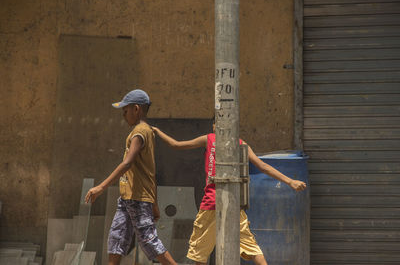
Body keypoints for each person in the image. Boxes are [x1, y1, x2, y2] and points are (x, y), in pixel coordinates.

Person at [151, 122, 307, 265]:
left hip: (211, 202)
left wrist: (158, 131)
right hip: (233, 202)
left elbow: (176, 145)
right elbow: (263, 166)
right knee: (250, 245)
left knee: (199, 251)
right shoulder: (238, 142)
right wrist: (290, 181)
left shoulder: (211, 138)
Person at [85, 89, 177, 265]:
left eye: (125, 111)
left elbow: (127, 163)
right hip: (128, 198)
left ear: (136, 109)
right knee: (116, 238)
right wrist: (155, 203)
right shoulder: (145, 131)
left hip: (138, 199)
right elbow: (149, 172)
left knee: (149, 240)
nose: (123, 115)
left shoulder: (140, 132)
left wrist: (101, 187)